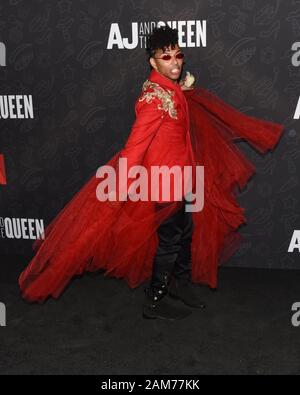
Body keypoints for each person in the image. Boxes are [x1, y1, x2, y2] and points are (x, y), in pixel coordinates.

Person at [19, 26, 284, 321]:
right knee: (170, 241)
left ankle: (179, 286)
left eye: (178, 55)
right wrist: (119, 186)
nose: (175, 62)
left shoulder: (168, 89)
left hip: (183, 177)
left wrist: (184, 89)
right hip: (163, 183)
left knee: (186, 233)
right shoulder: (153, 101)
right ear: (153, 62)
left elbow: (175, 107)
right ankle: (154, 300)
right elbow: (134, 147)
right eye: (166, 57)